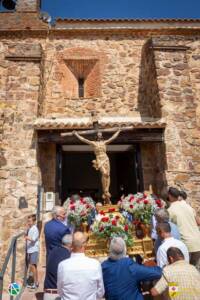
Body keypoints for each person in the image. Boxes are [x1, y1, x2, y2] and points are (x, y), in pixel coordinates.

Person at [73, 129, 120, 204]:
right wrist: (76, 134)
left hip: (106, 159)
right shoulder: (93, 143)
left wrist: (118, 131)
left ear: (101, 136)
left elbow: (113, 138)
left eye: (100, 134)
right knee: (104, 173)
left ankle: (106, 190)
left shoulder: (105, 142)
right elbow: (84, 139)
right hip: (99, 159)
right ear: (96, 136)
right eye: (98, 134)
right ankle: (106, 191)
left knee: (107, 174)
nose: (99, 134)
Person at [57, 231, 104, 300]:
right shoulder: (95, 264)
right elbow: (100, 291)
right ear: (84, 245)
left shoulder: (62, 265)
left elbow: (60, 291)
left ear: (71, 245)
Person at [167, 187, 200, 268]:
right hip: (197, 241)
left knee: (186, 270)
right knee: (196, 271)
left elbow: (168, 229)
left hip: (185, 244)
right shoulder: (188, 206)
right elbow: (198, 222)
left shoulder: (170, 210)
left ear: (170, 196)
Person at [44, 234, 72, 300]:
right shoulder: (67, 257)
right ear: (70, 245)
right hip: (57, 295)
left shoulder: (53, 250)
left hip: (47, 294)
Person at [25, 214, 39, 289]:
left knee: (33, 266)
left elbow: (33, 239)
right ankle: (36, 282)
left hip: (33, 250)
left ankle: (34, 283)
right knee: (34, 266)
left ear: (34, 221)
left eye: (30, 221)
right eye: (28, 221)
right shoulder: (30, 228)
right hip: (30, 250)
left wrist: (26, 237)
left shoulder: (35, 229)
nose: (28, 222)